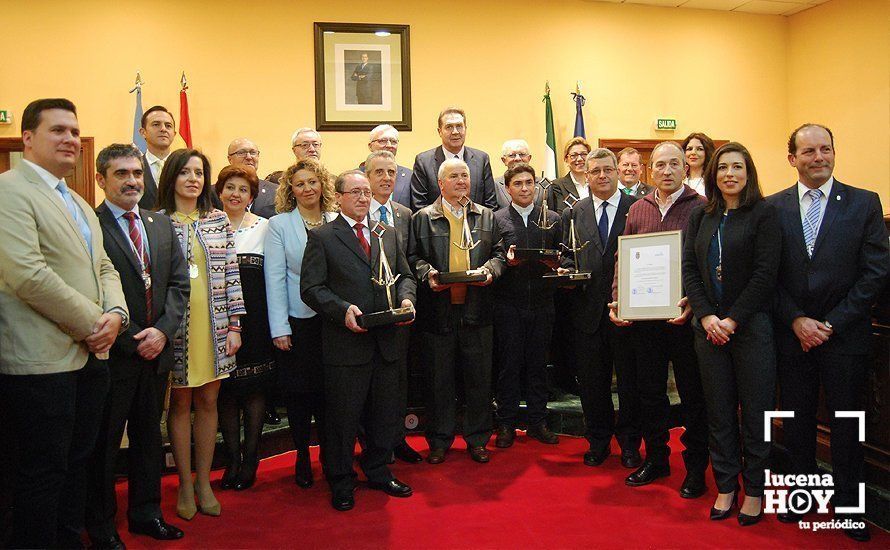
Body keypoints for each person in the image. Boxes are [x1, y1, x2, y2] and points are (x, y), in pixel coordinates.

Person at [0, 98, 128, 548]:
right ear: (28, 138)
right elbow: (27, 274)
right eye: (58, 130)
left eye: (75, 131)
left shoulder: (75, 199)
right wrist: (95, 324)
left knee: (79, 463)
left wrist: (115, 316)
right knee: (41, 472)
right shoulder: (7, 191)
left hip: (91, 357)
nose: (71, 139)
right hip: (40, 363)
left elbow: (106, 269)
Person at [768, 124, 889, 542]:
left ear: (834, 153)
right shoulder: (773, 208)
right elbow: (769, 276)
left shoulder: (863, 203)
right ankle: (799, 499)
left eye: (825, 149)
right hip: (792, 335)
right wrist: (797, 321)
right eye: (808, 151)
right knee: (797, 423)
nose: (818, 157)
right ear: (792, 159)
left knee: (848, 425)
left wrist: (832, 323)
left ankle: (849, 507)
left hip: (845, 336)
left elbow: (875, 272)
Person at [86, 144, 189, 546]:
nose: (132, 181)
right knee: (104, 446)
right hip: (113, 356)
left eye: (136, 173)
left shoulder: (159, 224)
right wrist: (132, 339)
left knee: (149, 440)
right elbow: (91, 289)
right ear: (101, 179)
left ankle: (146, 514)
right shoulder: (90, 224)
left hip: (156, 353)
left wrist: (163, 331)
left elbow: (179, 284)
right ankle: (101, 525)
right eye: (121, 174)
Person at [301, 170, 417, 511]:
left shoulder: (388, 234)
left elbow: (406, 276)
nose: (364, 198)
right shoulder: (323, 237)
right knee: (343, 418)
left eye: (367, 192)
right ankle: (340, 479)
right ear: (339, 197)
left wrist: (408, 298)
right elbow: (310, 289)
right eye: (356, 192)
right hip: (346, 344)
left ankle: (378, 469)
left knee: (384, 413)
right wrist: (342, 310)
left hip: (387, 341)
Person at [682, 142, 781, 526]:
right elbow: (690, 267)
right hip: (708, 333)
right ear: (713, 174)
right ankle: (726, 485)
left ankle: (754, 490)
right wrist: (707, 318)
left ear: (748, 172)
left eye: (737, 167)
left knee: (755, 414)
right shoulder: (701, 216)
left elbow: (765, 275)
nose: (729, 174)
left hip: (751, 329)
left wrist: (732, 320)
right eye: (722, 168)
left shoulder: (764, 215)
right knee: (719, 413)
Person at [608, 141, 710, 499]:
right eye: (661, 165)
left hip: (685, 319)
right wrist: (619, 300)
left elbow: (706, 263)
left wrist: (696, 305)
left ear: (686, 168)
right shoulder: (638, 208)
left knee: (692, 396)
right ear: (651, 170)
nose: (667, 171)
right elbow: (624, 258)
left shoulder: (701, 208)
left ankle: (696, 467)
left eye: (674, 164)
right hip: (645, 321)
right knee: (649, 394)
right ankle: (657, 458)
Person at [156, 149, 245, 521]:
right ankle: (184, 482)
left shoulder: (218, 220)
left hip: (217, 326)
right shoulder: (157, 221)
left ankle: (205, 481)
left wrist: (236, 325)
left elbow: (231, 273)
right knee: (179, 405)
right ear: (172, 178)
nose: (193, 179)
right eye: (185, 172)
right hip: (176, 329)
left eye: (199, 172)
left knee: (209, 403)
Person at [408, 158, 506, 464]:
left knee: (478, 380)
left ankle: (478, 439)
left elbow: (501, 254)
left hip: (478, 311)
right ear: (441, 183)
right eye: (454, 176)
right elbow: (413, 257)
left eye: (465, 175)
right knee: (439, 382)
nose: (462, 180)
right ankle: (439, 440)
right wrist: (428, 275)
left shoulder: (487, 217)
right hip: (438, 312)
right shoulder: (422, 218)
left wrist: (491, 270)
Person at [265, 158, 338, 488]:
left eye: (312, 182)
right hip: (297, 320)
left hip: (333, 320)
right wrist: (279, 327)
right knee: (299, 393)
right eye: (300, 184)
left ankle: (328, 452)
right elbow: (275, 278)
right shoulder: (279, 225)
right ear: (290, 191)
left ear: (322, 185)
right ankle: (301, 455)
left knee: (329, 392)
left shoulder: (337, 220)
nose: (307, 188)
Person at [562, 149, 637, 467]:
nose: (602, 176)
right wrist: (565, 271)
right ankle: (598, 440)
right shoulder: (574, 212)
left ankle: (631, 443)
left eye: (608, 170)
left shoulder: (638, 209)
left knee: (632, 384)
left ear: (618, 172)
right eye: (596, 171)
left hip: (628, 314)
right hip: (587, 312)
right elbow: (566, 255)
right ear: (587, 175)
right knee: (593, 384)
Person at [214, 165, 275, 492]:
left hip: (257, 320)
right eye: (229, 188)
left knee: (253, 389)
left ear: (252, 197)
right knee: (225, 391)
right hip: (218, 321)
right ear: (220, 191)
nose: (235, 194)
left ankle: (251, 458)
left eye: (242, 189)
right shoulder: (208, 225)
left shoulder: (265, 228)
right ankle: (232, 458)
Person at [492, 162, 561, 448]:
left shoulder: (553, 218)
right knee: (509, 365)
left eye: (529, 183)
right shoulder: (496, 220)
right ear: (508, 189)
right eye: (518, 183)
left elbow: (565, 257)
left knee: (537, 365)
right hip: (508, 304)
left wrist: (556, 263)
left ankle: (537, 421)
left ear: (536, 186)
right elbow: (492, 258)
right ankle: (506, 423)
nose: (524, 188)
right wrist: (507, 262)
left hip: (543, 302)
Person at [365, 151, 423, 463]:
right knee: (371, 385)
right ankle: (374, 446)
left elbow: (409, 265)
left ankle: (397, 440)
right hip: (368, 317)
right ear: (367, 176)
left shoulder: (404, 214)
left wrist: (408, 299)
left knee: (398, 381)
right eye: (379, 172)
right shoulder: (357, 214)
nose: (387, 178)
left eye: (391, 172)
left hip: (399, 315)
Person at [410, 107, 497, 210]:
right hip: (435, 225)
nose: (455, 132)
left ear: (465, 129)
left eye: (459, 126)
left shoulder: (481, 159)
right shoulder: (423, 161)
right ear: (439, 131)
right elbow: (419, 206)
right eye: (449, 127)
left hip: (475, 225)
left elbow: (491, 205)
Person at [359, 124, 412, 207]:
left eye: (393, 141)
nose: (389, 145)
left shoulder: (409, 176)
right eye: (383, 141)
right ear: (370, 146)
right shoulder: (356, 175)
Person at [226, 138, 278, 220]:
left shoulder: (276, 191)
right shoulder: (214, 192)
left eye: (253, 153)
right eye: (241, 153)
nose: (249, 157)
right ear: (229, 159)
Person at [138, 105, 175, 210]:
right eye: (156, 124)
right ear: (143, 132)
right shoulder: (134, 167)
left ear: (174, 133)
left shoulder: (184, 166)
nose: (163, 129)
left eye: (168, 126)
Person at [493, 139, 542, 210]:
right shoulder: (494, 185)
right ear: (504, 160)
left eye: (522, 154)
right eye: (512, 155)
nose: (518, 158)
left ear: (529, 158)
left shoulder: (544, 185)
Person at [547, 137, 591, 214]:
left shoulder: (596, 183)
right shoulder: (556, 186)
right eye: (574, 155)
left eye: (584, 154)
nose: (580, 159)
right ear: (566, 159)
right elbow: (559, 215)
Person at [682, 132, 715, 197]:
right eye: (689, 149)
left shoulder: (713, 181)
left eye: (699, 149)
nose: (693, 152)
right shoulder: (679, 181)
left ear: (707, 153)